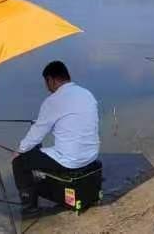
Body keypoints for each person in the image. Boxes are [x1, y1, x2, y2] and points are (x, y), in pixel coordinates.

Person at [12, 61, 100, 217]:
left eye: (47, 83)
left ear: (51, 80)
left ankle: (29, 207)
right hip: (91, 155)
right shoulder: (87, 94)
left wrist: (19, 150)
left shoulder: (53, 101)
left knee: (20, 161)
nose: (47, 88)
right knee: (36, 148)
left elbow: (37, 133)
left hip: (71, 160)